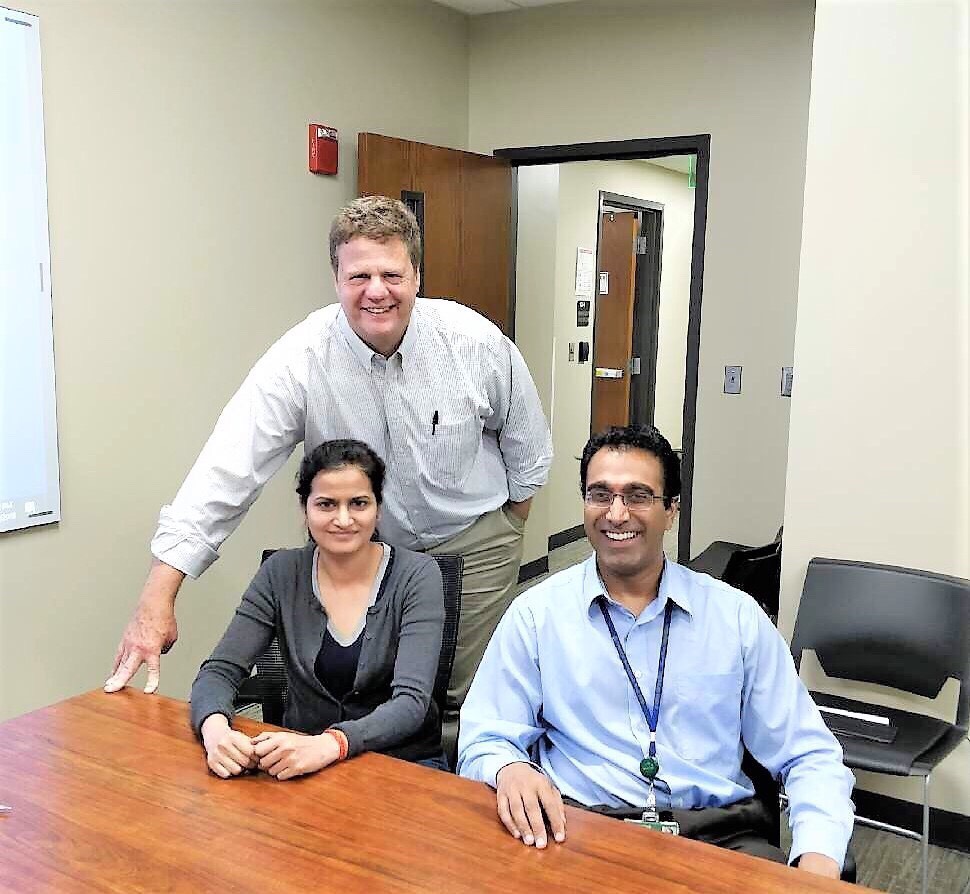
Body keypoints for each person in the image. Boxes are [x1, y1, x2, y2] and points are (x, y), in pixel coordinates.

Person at [107, 196, 553, 741]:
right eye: (358, 275)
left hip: (473, 542)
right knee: (375, 698)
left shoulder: (474, 343)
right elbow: (226, 471)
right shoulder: (300, 359)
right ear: (336, 278)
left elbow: (527, 448)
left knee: (471, 706)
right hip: (364, 552)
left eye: (392, 273)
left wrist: (506, 528)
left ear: (416, 273)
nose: (376, 291)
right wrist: (159, 594)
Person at [457, 425, 854, 880]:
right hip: (579, 832)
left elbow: (809, 755)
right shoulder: (536, 615)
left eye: (638, 496)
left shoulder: (736, 619)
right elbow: (484, 736)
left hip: (717, 838)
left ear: (671, 512)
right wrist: (510, 768)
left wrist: (818, 862)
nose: (616, 513)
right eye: (600, 494)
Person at [191, 439, 446, 779]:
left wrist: (332, 744)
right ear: (305, 508)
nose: (343, 519)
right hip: (302, 766)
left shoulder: (417, 575)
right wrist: (216, 731)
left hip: (402, 765)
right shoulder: (281, 572)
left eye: (358, 503)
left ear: (378, 509)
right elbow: (219, 671)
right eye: (326, 504)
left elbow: (412, 703)